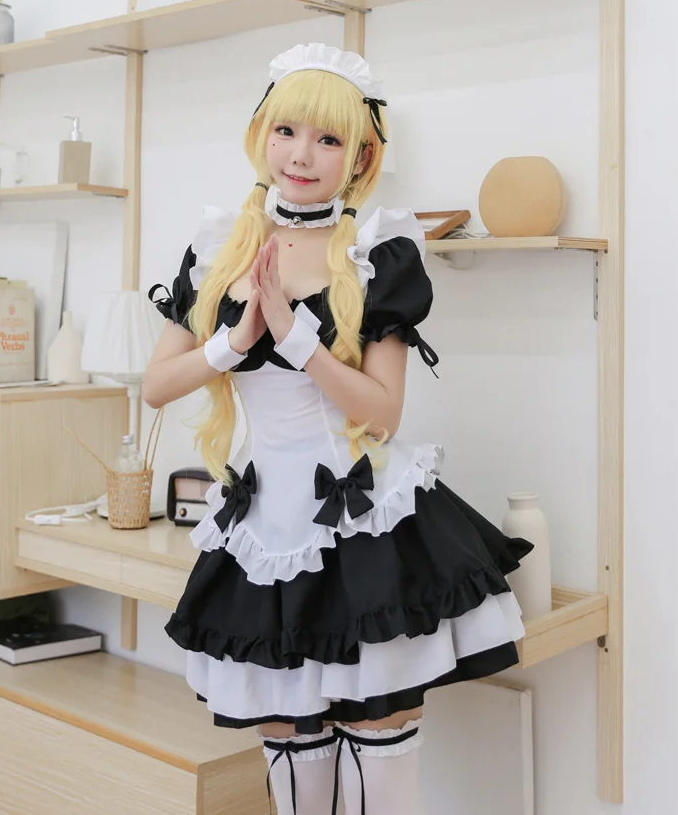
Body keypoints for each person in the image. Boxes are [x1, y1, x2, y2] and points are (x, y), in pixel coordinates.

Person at [145, 42, 532, 815]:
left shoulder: (377, 251)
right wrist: (233, 342)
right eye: (288, 131)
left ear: (360, 157)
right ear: (262, 135)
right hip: (262, 528)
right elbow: (157, 385)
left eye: (328, 139)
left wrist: (299, 342)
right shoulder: (219, 246)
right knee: (293, 757)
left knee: (379, 752)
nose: (302, 155)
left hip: (363, 523)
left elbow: (382, 412)